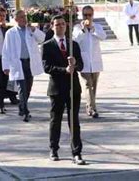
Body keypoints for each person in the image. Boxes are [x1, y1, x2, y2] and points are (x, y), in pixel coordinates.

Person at [43, 15, 85, 165]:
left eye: (62, 24)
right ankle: (53, 149)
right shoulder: (47, 45)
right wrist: (64, 70)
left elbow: (81, 65)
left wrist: (76, 64)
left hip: (73, 88)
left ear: (66, 26)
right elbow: (47, 67)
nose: (60, 27)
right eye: (57, 24)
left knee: (74, 121)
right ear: (52, 26)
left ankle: (77, 152)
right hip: (56, 88)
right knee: (56, 120)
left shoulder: (73, 45)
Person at [2, 10, 45, 122]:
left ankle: (22, 107)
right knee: (22, 88)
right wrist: (5, 66)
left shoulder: (30, 30)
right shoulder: (10, 33)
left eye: (24, 17)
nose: (24, 19)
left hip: (29, 62)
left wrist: (34, 30)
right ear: (16, 19)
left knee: (28, 87)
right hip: (18, 63)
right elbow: (6, 51)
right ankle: (25, 111)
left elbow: (42, 38)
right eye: (21, 17)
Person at [73, 6, 106, 118]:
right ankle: (92, 108)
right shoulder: (78, 27)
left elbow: (103, 37)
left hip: (95, 61)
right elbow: (75, 40)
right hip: (84, 62)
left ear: (93, 15)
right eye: (85, 15)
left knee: (94, 85)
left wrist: (92, 29)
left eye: (89, 15)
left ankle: (89, 105)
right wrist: (83, 30)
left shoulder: (97, 26)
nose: (87, 17)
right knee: (88, 85)